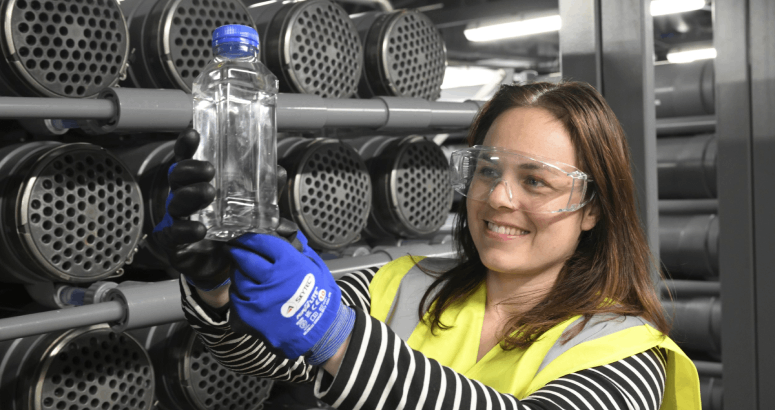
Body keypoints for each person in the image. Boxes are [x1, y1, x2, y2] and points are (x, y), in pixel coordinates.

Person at [154, 81, 701, 409]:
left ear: (594, 210)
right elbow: (268, 360)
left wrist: (338, 336)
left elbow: (330, 341)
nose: (499, 198)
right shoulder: (400, 282)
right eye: (486, 170)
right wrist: (219, 289)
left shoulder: (626, 353)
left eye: (536, 181)